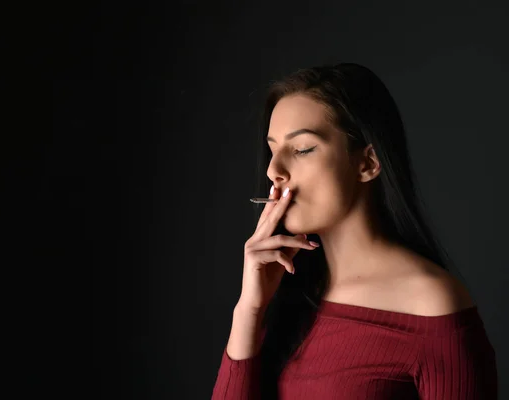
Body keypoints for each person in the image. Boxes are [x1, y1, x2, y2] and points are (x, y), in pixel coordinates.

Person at [211, 63, 497, 399]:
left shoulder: (430, 304)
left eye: (302, 149)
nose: (274, 170)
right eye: (273, 150)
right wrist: (249, 310)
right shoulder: (290, 290)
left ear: (367, 163)